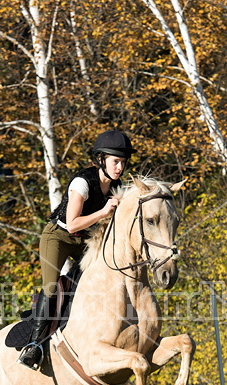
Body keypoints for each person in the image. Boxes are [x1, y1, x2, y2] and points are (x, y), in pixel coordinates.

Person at [18, 129, 137, 369]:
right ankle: (33, 345)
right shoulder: (82, 183)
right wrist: (104, 212)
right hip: (59, 237)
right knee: (51, 287)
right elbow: (72, 224)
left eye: (123, 163)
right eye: (115, 162)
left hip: (86, 240)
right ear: (101, 160)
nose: (120, 168)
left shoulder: (117, 185)